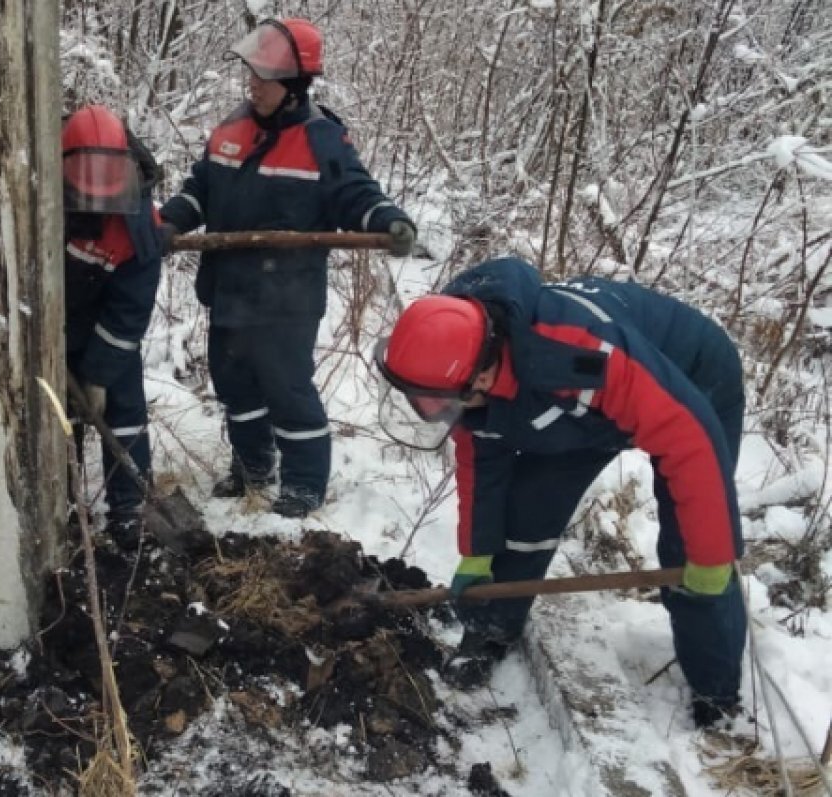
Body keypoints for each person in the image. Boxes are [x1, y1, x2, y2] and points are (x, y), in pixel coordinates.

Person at [373, 256, 747, 728]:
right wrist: (476, 556)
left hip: (692, 382)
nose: (432, 409)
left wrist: (711, 557)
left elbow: (689, 438)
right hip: (578, 408)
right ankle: (492, 627)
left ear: (482, 377)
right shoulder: (464, 351)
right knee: (529, 508)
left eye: (437, 399)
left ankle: (717, 695)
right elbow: (480, 463)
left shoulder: (577, 355)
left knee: (691, 546)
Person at [159, 18, 418, 518]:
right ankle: (254, 468)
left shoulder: (323, 140)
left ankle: (303, 484)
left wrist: (389, 221)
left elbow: (356, 195)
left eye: (263, 78)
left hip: (287, 299)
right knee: (234, 386)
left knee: (287, 389)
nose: (251, 85)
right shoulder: (231, 129)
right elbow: (199, 188)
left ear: (294, 87)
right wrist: (172, 220)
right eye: (251, 75)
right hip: (229, 288)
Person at [61, 105, 163, 542]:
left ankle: (130, 509)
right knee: (55, 417)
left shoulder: (139, 223)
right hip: (50, 323)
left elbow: (130, 311)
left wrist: (99, 376)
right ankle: (59, 502)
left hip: (106, 319)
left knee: (123, 407)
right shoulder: (36, 195)